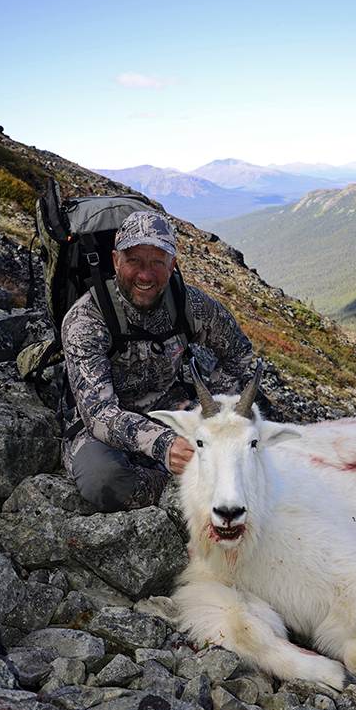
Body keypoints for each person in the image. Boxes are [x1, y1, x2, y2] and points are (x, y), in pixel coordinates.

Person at [61, 210, 254, 512]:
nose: (145, 274)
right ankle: (181, 491)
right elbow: (98, 412)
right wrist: (163, 445)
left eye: (156, 262)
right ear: (115, 261)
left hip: (174, 408)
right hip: (104, 424)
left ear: (172, 264)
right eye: (134, 260)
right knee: (102, 479)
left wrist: (216, 409)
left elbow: (239, 352)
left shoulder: (190, 304)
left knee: (254, 434)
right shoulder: (86, 319)